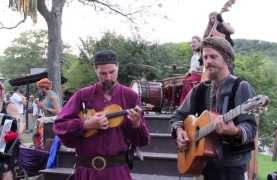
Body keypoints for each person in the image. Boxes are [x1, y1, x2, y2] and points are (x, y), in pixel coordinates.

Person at [54, 50, 150, 180]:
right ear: (95, 70)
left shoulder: (130, 96)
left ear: (118, 67)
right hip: (86, 171)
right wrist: (85, 125)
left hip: (117, 172)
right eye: (103, 73)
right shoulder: (83, 95)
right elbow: (59, 125)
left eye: (112, 72)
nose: (108, 77)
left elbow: (142, 140)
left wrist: (136, 124)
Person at [171, 37, 257, 180]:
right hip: (204, 165)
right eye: (205, 57)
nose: (208, 61)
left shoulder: (241, 87)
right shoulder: (199, 89)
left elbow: (250, 128)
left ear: (226, 59)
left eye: (213, 56)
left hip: (231, 168)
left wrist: (235, 131)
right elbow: (177, 116)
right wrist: (179, 131)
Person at [0, 82, 21, 180]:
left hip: (7, 147)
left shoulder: (9, 106)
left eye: (1, 89)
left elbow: (21, 122)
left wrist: (15, 134)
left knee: (5, 169)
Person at [179, 36, 203, 104]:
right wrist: (188, 72)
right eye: (191, 43)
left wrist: (198, 69)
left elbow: (204, 68)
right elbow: (192, 68)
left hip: (200, 75)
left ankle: (192, 101)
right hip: (193, 75)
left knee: (187, 81)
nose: (192, 44)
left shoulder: (202, 54)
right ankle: (183, 104)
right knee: (184, 81)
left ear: (200, 43)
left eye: (194, 42)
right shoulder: (193, 56)